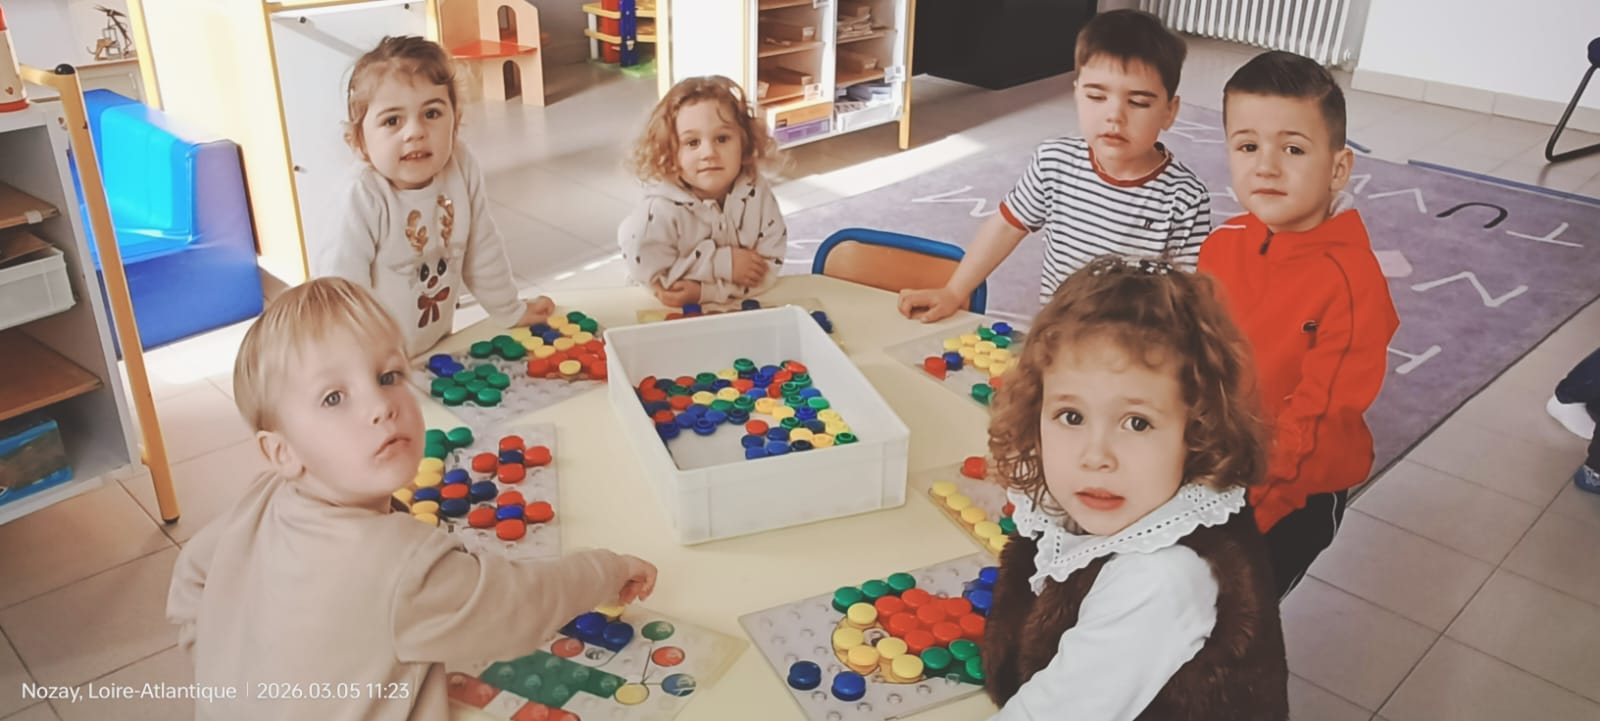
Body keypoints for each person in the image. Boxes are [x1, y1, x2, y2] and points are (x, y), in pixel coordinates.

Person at [167, 277, 656, 721]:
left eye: (388, 376)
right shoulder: (401, 564)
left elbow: (191, 572)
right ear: (282, 451)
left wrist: (219, 670)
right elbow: (519, 606)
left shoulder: (264, 499)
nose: (380, 406)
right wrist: (607, 570)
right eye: (334, 397)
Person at [982, 256, 1287, 721]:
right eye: (1071, 416)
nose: (1096, 455)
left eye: (1137, 423)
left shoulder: (1159, 579)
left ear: (1196, 431)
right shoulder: (1117, 505)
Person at [1198, 50, 1400, 598]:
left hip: (1293, 496)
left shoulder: (1353, 283)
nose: (1266, 167)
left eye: (1292, 148)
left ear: (1338, 168)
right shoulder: (1222, 243)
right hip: (1217, 468)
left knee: (1237, 620)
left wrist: (1245, 515)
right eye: (1248, 147)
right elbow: (1192, 352)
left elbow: (1318, 423)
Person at [898, 9, 1210, 322]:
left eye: (1138, 102)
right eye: (1096, 96)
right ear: (1077, 94)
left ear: (1169, 111)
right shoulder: (1054, 162)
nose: (1115, 116)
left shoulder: (1184, 197)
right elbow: (1006, 226)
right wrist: (954, 291)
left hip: (1135, 341)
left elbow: (1187, 297)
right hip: (1058, 331)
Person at [319, 36, 552, 356]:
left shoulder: (461, 166)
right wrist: (357, 365)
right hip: (371, 358)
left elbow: (482, 248)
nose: (415, 132)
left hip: (435, 344)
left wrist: (510, 310)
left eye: (431, 113)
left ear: (455, 122)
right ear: (358, 142)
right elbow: (339, 293)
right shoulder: (361, 197)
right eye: (392, 121)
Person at [618, 75, 788, 308]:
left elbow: (768, 267)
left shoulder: (757, 192)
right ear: (669, 152)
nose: (708, 153)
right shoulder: (659, 210)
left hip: (739, 306)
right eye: (692, 143)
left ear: (744, 142)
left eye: (722, 138)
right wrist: (721, 264)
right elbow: (656, 278)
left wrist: (707, 292)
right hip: (663, 310)